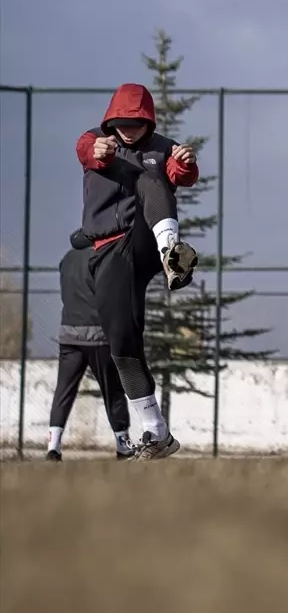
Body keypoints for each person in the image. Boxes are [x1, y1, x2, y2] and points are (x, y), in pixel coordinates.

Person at [75, 82, 199, 459]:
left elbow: (180, 176)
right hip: (108, 251)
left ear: (149, 120)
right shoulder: (94, 139)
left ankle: (171, 252)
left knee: (151, 178)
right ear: (110, 120)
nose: (129, 129)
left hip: (144, 239)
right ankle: (156, 432)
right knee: (122, 341)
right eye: (122, 122)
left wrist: (184, 164)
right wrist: (98, 151)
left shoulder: (161, 147)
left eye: (137, 122)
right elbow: (85, 152)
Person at [45, 230, 134, 462]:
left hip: (69, 334)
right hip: (98, 335)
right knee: (112, 391)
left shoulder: (66, 261)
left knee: (63, 391)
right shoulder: (99, 259)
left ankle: (53, 446)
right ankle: (123, 445)